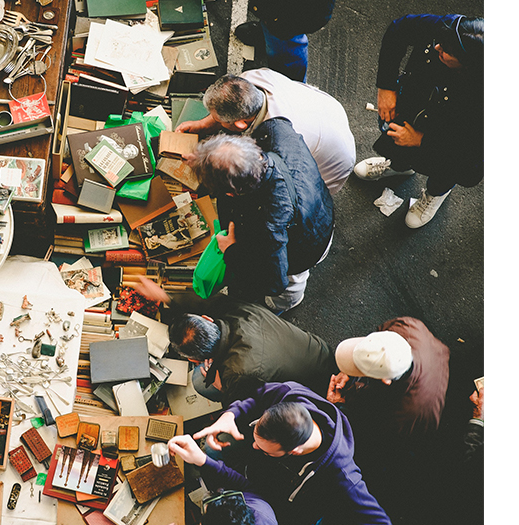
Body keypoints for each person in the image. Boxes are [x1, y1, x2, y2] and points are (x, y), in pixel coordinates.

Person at [169, 381, 391, 525]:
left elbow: (379, 520)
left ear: (293, 452)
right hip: (257, 484)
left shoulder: (342, 475)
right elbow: (257, 396)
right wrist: (231, 415)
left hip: (283, 505)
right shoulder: (288, 393)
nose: (254, 447)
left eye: (263, 449)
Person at [353, 14, 484, 228]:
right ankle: (399, 166)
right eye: (439, 42)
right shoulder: (451, 29)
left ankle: (437, 192)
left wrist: (423, 140)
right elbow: (399, 28)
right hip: (417, 99)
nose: (436, 48)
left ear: (468, 64)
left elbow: (471, 153)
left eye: (446, 51)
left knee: (444, 169)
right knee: (396, 134)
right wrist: (387, 86)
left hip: (449, 132)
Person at [188, 130, 334, 314]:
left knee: (291, 282)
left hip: (310, 240)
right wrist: (204, 160)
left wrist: (231, 250)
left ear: (233, 192)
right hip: (317, 201)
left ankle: (285, 303)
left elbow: (275, 282)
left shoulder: (269, 225)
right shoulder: (275, 132)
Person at [131, 277, 337, 406]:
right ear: (208, 320)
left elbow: (241, 408)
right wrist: (166, 297)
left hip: (320, 394)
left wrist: (222, 387)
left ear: (194, 360)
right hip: (325, 356)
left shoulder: (237, 375)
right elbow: (211, 303)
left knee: (199, 383)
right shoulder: (242, 312)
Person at [176, 70, 355, 195]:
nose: (214, 122)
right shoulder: (249, 80)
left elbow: (257, 182)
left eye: (218, 121)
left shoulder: (275, 143)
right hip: (329, 114)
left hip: (328, 170)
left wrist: (205, 165)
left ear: (240, 124)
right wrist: (202, 125)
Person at [325, 317, 451, 441]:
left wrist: (336, 407)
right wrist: (349, 371)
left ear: (385, 380)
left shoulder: (405, 416)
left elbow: (372, 431)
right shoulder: (409, 327)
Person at [230, 1, 336, 82]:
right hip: (277, 10)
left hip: (293, 14)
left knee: (287, 45)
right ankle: (267, 35)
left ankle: (290, 84)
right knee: (272, 30)